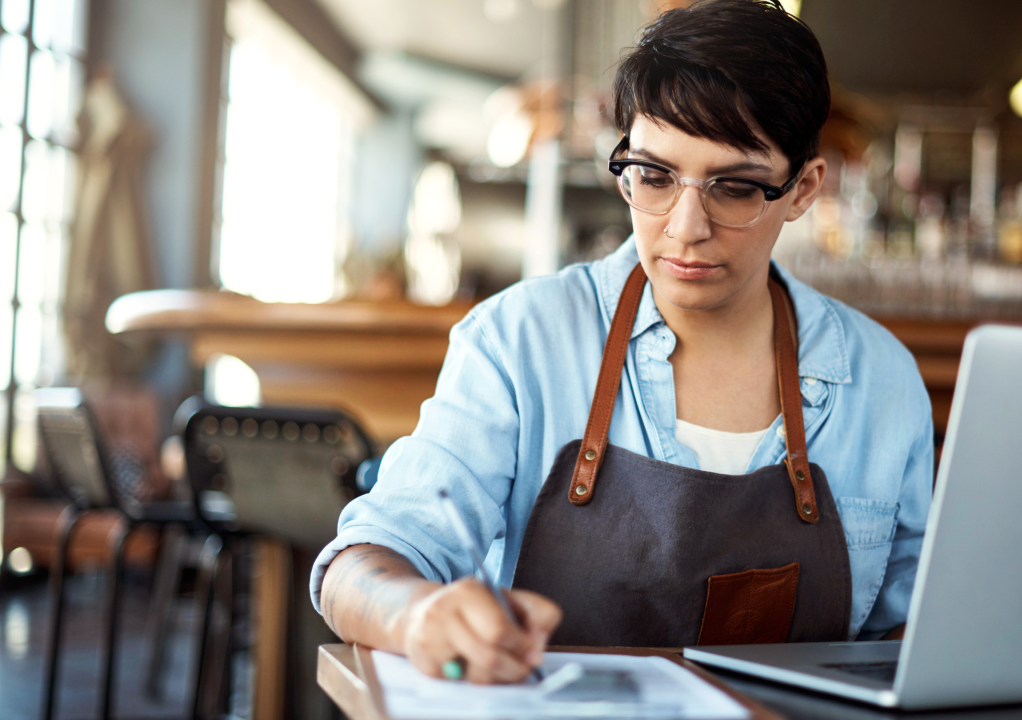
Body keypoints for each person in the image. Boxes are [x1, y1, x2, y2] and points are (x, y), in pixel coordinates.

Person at [313, 0, 932, 685]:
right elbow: (362, 563)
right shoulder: (520, 341)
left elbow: (913, 632)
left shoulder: (881, 381)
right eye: (655, 176)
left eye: (736, 187)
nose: (686, 226)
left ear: (804, 188)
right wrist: (416, 615)